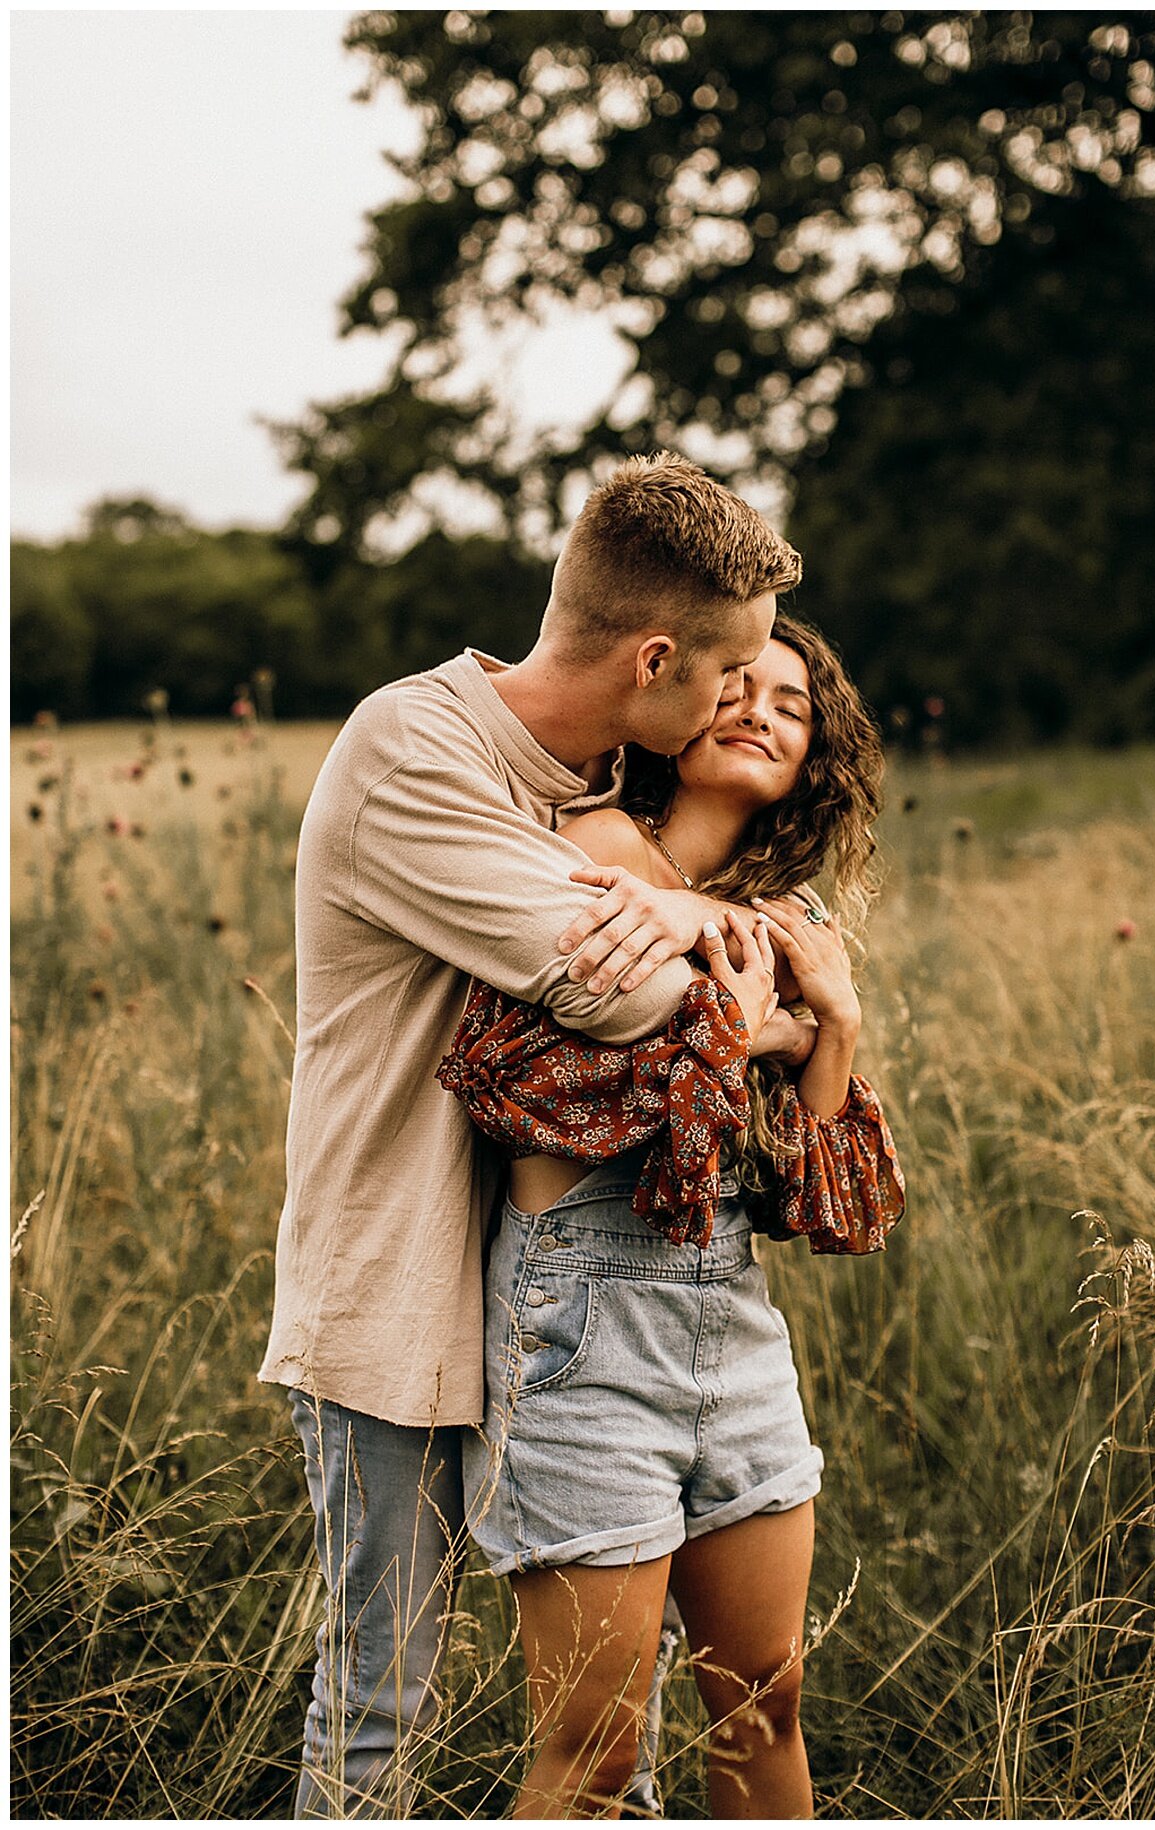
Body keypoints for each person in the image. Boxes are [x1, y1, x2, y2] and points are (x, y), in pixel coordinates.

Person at [261, 453, 823, 1816]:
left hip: (553, 1288)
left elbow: (730, 990)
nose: (733, 704)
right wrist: (706, 935)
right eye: (725, 674)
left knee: (598, 1731)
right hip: (396, 1295)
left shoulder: (584, 780)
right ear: (652, 660)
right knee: (386, 1696)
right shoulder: (415, 749)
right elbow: (625, 990)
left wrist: (729, 948)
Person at [437, 616, 903, 1816]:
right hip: (580, 1321)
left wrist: (835, 1026)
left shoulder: (790, 920)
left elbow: (823, 1197)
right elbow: (537, 1096)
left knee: (765, 1701)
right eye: (738, 686)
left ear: (815, 760)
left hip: (733, 1317)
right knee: (594, 1757)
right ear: (681, 706)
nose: (760, 710)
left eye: (794, 707)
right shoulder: (585, 850)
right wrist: (749, 1035)